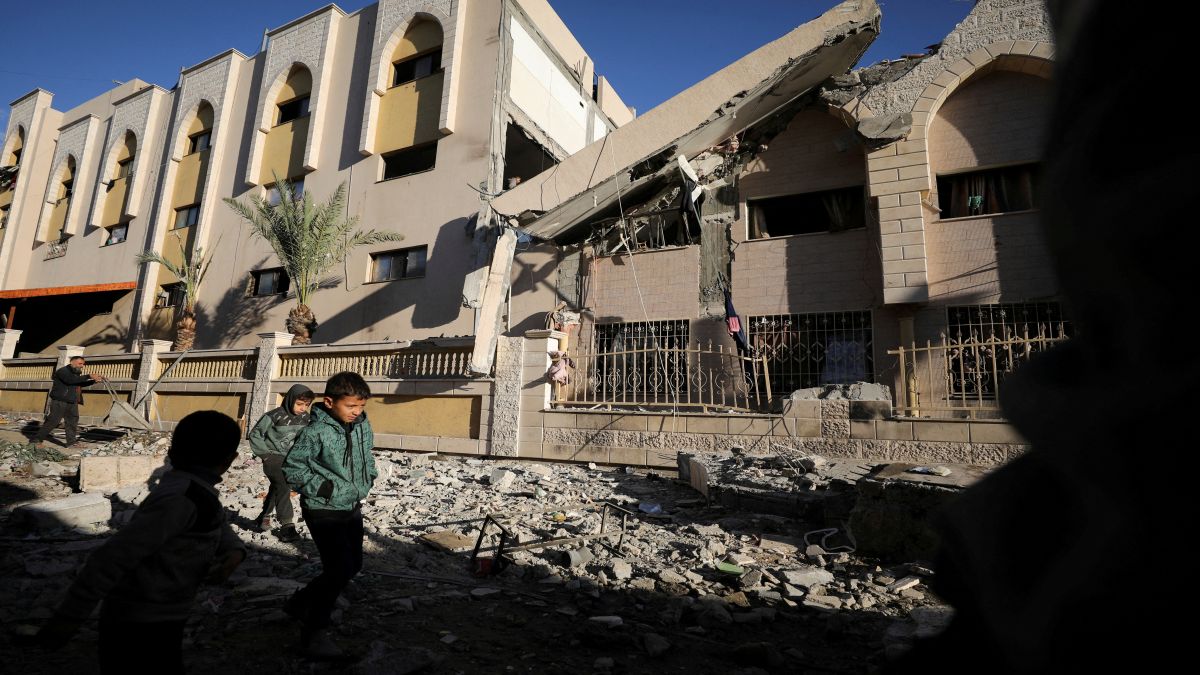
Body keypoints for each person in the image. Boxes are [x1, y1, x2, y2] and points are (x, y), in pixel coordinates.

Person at [37, 410, 246, 674]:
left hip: (165, 614)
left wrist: (235, 551)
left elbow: (215, 519)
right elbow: (111, 558)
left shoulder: (194, 491)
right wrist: (69, 618)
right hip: (139, 620)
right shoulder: (179, 498)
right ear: (230, 460)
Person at [282, 371, 376, 659]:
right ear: (329, 402)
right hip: (323, 509)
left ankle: (299, 604)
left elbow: (367, 454)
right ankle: (313, 634)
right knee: (338, 569)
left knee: (353, 564)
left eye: (361, 406)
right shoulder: (315, 431)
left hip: (351, 506)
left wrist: (369, 476)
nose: (356, 412)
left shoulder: (362, 425)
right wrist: (325, 488)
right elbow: (293, 468)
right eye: (351, 406)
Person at [248, 384, 314, 541]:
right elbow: (255, 434)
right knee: (284, 485)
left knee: (277, 486)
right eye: (299, 404)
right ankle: (287, 526)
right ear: (290, 399)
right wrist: (265, 455)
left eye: (306, 405)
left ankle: (264, 517)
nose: (303, 408)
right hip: (273, 457)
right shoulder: (273, 416)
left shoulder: (306, 418)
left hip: (292, 459)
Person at [33, 355, 106, 448]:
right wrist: (89, 376)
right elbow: (70, 381)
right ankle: (36, 440)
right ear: (72, 362)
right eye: (80, 363)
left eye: (83, 364)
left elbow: (78, 383)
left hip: (72, 402)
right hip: (60, 401)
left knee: (72, 422)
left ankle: (71, 443)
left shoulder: (76, 373)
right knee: (53, 421)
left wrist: (93, 381)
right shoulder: (63, 371)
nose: (82, 366)